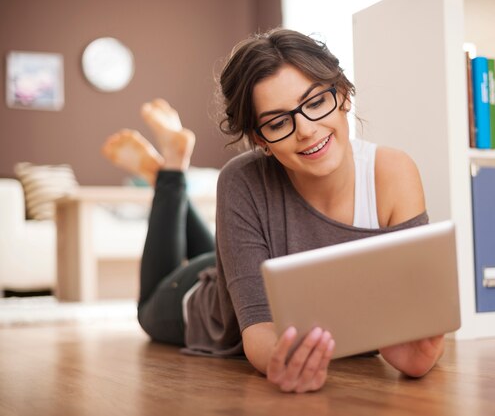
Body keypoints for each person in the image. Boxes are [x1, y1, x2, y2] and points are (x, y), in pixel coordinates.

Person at [102, 28, 444, 394]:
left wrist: (412, 347)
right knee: (147, 310)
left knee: (221, 255)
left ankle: (167, 173)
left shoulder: (393, 173)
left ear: (343, 95)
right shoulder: (241, 180)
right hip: (206, 302)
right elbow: (259, 334)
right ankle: (170, 172)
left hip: (242, 259)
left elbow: (414, 319)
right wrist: (283, 359)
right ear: (261, 140)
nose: (307, 131)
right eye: (279, 122)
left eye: (315, 103)